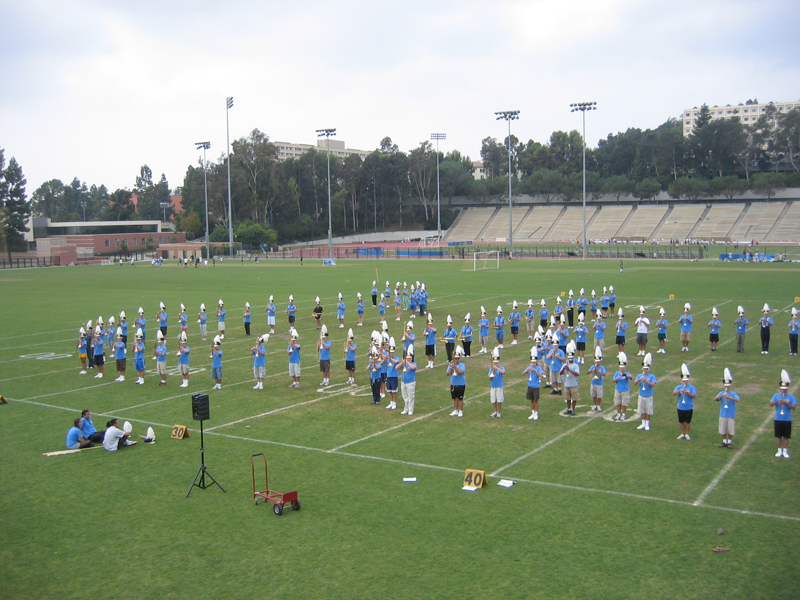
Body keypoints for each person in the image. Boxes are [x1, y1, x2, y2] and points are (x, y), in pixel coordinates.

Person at [770, 370, 796, 458]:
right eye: (782, 389)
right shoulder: (776, 396)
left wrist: (787, 403)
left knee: (786, 436)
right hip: (778, 418)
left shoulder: (791, 397)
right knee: (778, 436)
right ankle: (779, 450)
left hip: (787, 419)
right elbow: (770, 404)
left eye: (785, 389)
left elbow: (794, 407)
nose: (783, 390)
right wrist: (777, 401)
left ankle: (785, 451)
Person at [714, 368, 739, 448]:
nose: (727, 387)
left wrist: (729, 397)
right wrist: (721, 396)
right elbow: (715, 399)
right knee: (723, 429)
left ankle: (729, 442)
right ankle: (724, 441)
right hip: (723, 414)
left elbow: (737, 399)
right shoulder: (721, 393)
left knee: (730, 429)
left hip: (731, 414)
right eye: (726, 386)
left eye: (728, 386)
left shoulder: (733, 393)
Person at [634, 352, 657, 431]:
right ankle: (643, 423)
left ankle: (647, 423)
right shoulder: (640, 375)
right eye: (644, 369)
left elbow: (653, 385)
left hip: (649, 395)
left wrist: (646, 381)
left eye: (646, 369)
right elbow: (634, 383)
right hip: (641, 395)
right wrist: (639, 380)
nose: (645, 370)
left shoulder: (652, 376)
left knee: (648, 410)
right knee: (642, 410)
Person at [673, 364, 696, 440]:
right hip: (680, 407)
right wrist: (679, 391)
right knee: (681, 421)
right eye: (684, 380)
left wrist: (688, 393)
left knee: (688, 422)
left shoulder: (691, 387)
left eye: (686, 380)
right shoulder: (679, 387)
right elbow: (673, 393)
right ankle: (682, 433)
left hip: (688, 407)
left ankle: (687, 434)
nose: (685, 381)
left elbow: (694, 396)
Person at [523, 346, 545, 420]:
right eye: (532, 362)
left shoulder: (538, 368)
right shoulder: (529, 367)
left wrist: (535, 371)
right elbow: (522, 373)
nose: (533, 363)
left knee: (536, 400)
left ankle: (536, 413)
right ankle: (532, 413)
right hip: (530, 385)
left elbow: (541, 375)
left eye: (534, 362)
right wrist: (527, 371)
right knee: (531, 400)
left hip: (536, 386)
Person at [612, 352, 633, 421]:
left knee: (624, 403)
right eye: (621, 368)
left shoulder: (627, 373)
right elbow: (613, 380)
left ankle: (623, 414)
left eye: (623, 368)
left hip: (625, 390)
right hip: (618, 389)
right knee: (618, 403)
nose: (622, 369)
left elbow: (631, 377)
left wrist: (625, 375)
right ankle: (618, 414)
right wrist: (617, 378)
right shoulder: (617, 373)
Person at [561, 341, 580, 415]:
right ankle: (568, 408)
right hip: (567, 384)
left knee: (574, 398)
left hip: (573, 384)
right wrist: (564, 369)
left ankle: (573, 409)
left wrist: (569, 370)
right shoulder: (565, 364)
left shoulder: (575, 365)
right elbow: (561, 373)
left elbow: (577, 373)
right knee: (567, 398)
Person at [446, 346, 466, 417]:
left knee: (460, 398)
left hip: (461, 384)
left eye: (458, 358)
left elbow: (461, 372)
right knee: (455, 398)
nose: (457, 359)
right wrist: (451, 368)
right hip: (453, 383)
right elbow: (447, 374)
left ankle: (460, 411)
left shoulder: (462, 365)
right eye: (456, 358)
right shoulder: (451, 365)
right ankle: (455, 410)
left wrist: (455, 367)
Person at [488, 347, 506, 418]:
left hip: (499, 386)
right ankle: (495, 411)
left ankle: (499, 412)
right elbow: (489, 377)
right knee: (493, 400)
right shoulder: (491, 369)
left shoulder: (501, 368)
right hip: (493, 386)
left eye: (497, 362)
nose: (496, 363)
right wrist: (492, 372)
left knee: (499, 399)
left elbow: (503, 372)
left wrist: (497, 368)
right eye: (495, 362)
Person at [587, 346, 606, 412]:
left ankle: (599, 405)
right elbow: (587, 372)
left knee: (599, 395)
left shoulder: (602, 367)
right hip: (593, 382)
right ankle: (595, 405)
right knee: (594, 394)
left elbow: (605, 374)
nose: (597, 363)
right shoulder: (593, 366)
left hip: (599, 383)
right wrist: (591, 370)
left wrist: (599, 372)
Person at [400, 344, 417, 415]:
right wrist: (402, 363)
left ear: (411, 358)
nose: (408, 359)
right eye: (407, 358)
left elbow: (413, 368)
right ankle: (406, 408)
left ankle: (411, 409)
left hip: (410, 382)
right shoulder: (404, 364)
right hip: (403, 382)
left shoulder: (414, 364)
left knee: (411, 397)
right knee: (405, 396)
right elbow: (397, 367)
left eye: (409, 358)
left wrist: (407, 362)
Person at [385, 340, 401, 410]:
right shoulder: (388, 359)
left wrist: (390, 358)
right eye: (390, 353)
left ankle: (394, 403)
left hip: (394, 376)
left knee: (394, 391)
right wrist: (385, 358)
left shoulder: (396, 358)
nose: (391, 354)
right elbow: (382, 363)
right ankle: (391, 402)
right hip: (388, 376)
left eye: (392, 353)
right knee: (390, 391)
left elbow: (397, 362)